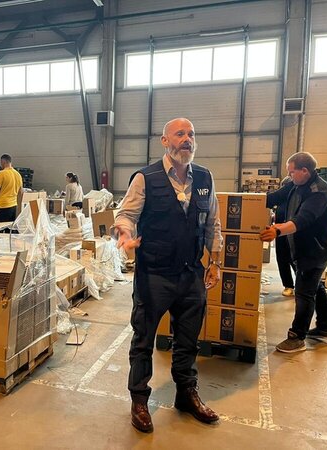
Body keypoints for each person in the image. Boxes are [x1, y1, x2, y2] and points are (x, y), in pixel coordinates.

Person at [114, 118, 223, 433]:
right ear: (165, 141)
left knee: (188, 340)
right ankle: (139, 399)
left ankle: (186, 394)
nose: (187, 139)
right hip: (155, 276)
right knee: (144, 339)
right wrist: (125, 233)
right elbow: (126, 214)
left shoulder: (204, 177)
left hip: (191, 274)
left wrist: (215, 261)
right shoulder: (146, 178)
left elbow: (212, 221)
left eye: (191, 134)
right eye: (180, 134)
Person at [261, 152, 327, 353]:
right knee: (313, 285)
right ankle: (326, 326)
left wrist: (277, 230)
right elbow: (272, 198)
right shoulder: (296, 185)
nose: (290, 175)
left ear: (305, 171)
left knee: (304, 291)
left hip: (316, 247)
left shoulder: (319, 191)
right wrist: (241, 201)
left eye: (292, 171)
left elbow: (303, 220)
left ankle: (297, 337)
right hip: (300, 244)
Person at [274, 176, 296, 297]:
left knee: (294, 259)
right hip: (279, 234)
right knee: (282, 259)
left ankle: (301, 284)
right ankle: (288, 285)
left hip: (293, 234)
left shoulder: (295, 201)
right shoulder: (280, 202)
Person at [0, 154, 23, 223]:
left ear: (3, 162)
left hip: (3, 205)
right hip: (13, 206)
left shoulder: (1, 173)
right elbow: (20, 192)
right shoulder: (18, 174)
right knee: (9, 230)